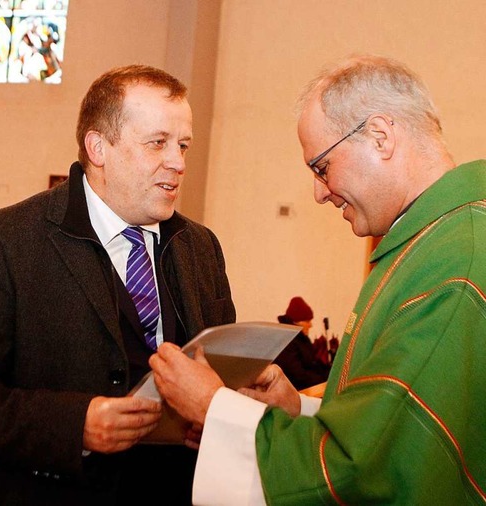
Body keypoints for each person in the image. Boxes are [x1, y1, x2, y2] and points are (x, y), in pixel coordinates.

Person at [150, 55, 486, 504]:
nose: (319, 192)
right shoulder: (433, 239)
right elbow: (385, 426)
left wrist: (215, 407)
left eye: (322, 167)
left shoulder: (453, 263)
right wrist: (298, 409)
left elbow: (370, 472)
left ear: (380, 137)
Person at [0, 64, 236, 506]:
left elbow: (215, 369)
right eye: (157, 143)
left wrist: (220, 409)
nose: (178, 162)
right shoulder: (6, 239)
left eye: (183, 145)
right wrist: (75, 425)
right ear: (98, 147)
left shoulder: (200, 246)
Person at [273, 296, 330, 389]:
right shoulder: (286, 342)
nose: (310, 325)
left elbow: (314, 364)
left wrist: (331, 374)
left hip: (310, 388)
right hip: (298, 393)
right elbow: (298, 376)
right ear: (296, 322)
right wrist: (323, 380)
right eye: (307, 321)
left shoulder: (302, 339)